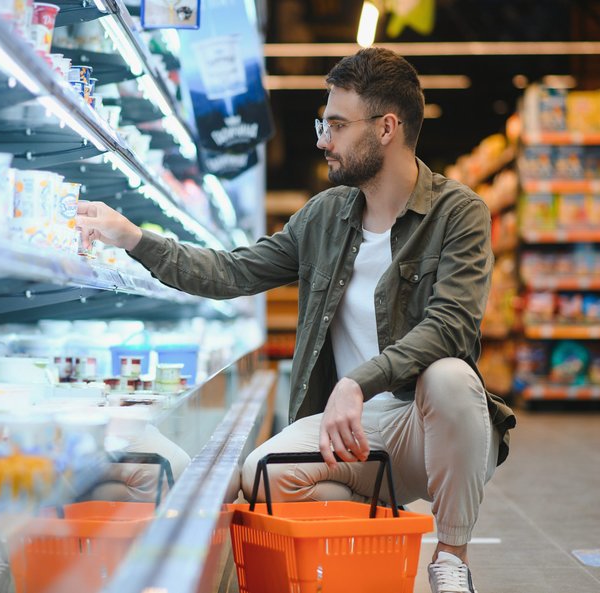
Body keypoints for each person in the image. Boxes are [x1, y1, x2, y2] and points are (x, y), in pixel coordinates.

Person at [76, 47, 516, 593]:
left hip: (423, 428)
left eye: (335, 124)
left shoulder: (459, 212)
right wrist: (136, 239)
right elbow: (233, 272)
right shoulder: (324, 216)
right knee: (259, 480)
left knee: (449, 375)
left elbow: (450, 326)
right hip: (349, 433)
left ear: (386, 128)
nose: (321, 139)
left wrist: (359, 380)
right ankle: (374, 526)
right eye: (320, 123)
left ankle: (451, 560)